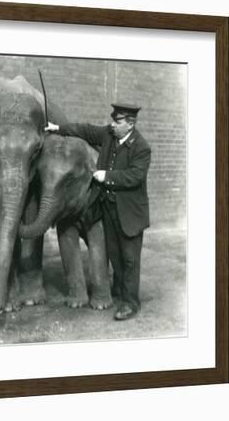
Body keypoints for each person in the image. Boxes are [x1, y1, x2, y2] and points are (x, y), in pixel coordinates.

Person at [45, 103, 151, 321]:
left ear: (130, 124)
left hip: (129, 212)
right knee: (116, 256)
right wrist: (58, 128)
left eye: (118, 121)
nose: (113, 124)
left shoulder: (141, 147)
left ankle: (131, 303)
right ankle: (121, 291)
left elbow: (135, 177)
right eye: (113, 120)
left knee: (130, 259)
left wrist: (107, 176)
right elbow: (85, 130)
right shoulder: (110, 135)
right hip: (108, 209)